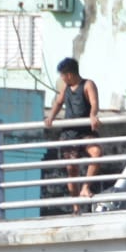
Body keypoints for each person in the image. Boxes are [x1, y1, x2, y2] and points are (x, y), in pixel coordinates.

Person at [44, 57, 104, 204]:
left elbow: (94, 103)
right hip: (69, 133)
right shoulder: (65, 88)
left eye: (62, 75)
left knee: (97, 153)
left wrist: (92, 115)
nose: (62, 78)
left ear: (69, 74)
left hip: (85, 133)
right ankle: (76, 207)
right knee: (72, 170)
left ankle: (86, 187)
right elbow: (58, 103)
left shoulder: (87, 84)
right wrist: (51, 116)